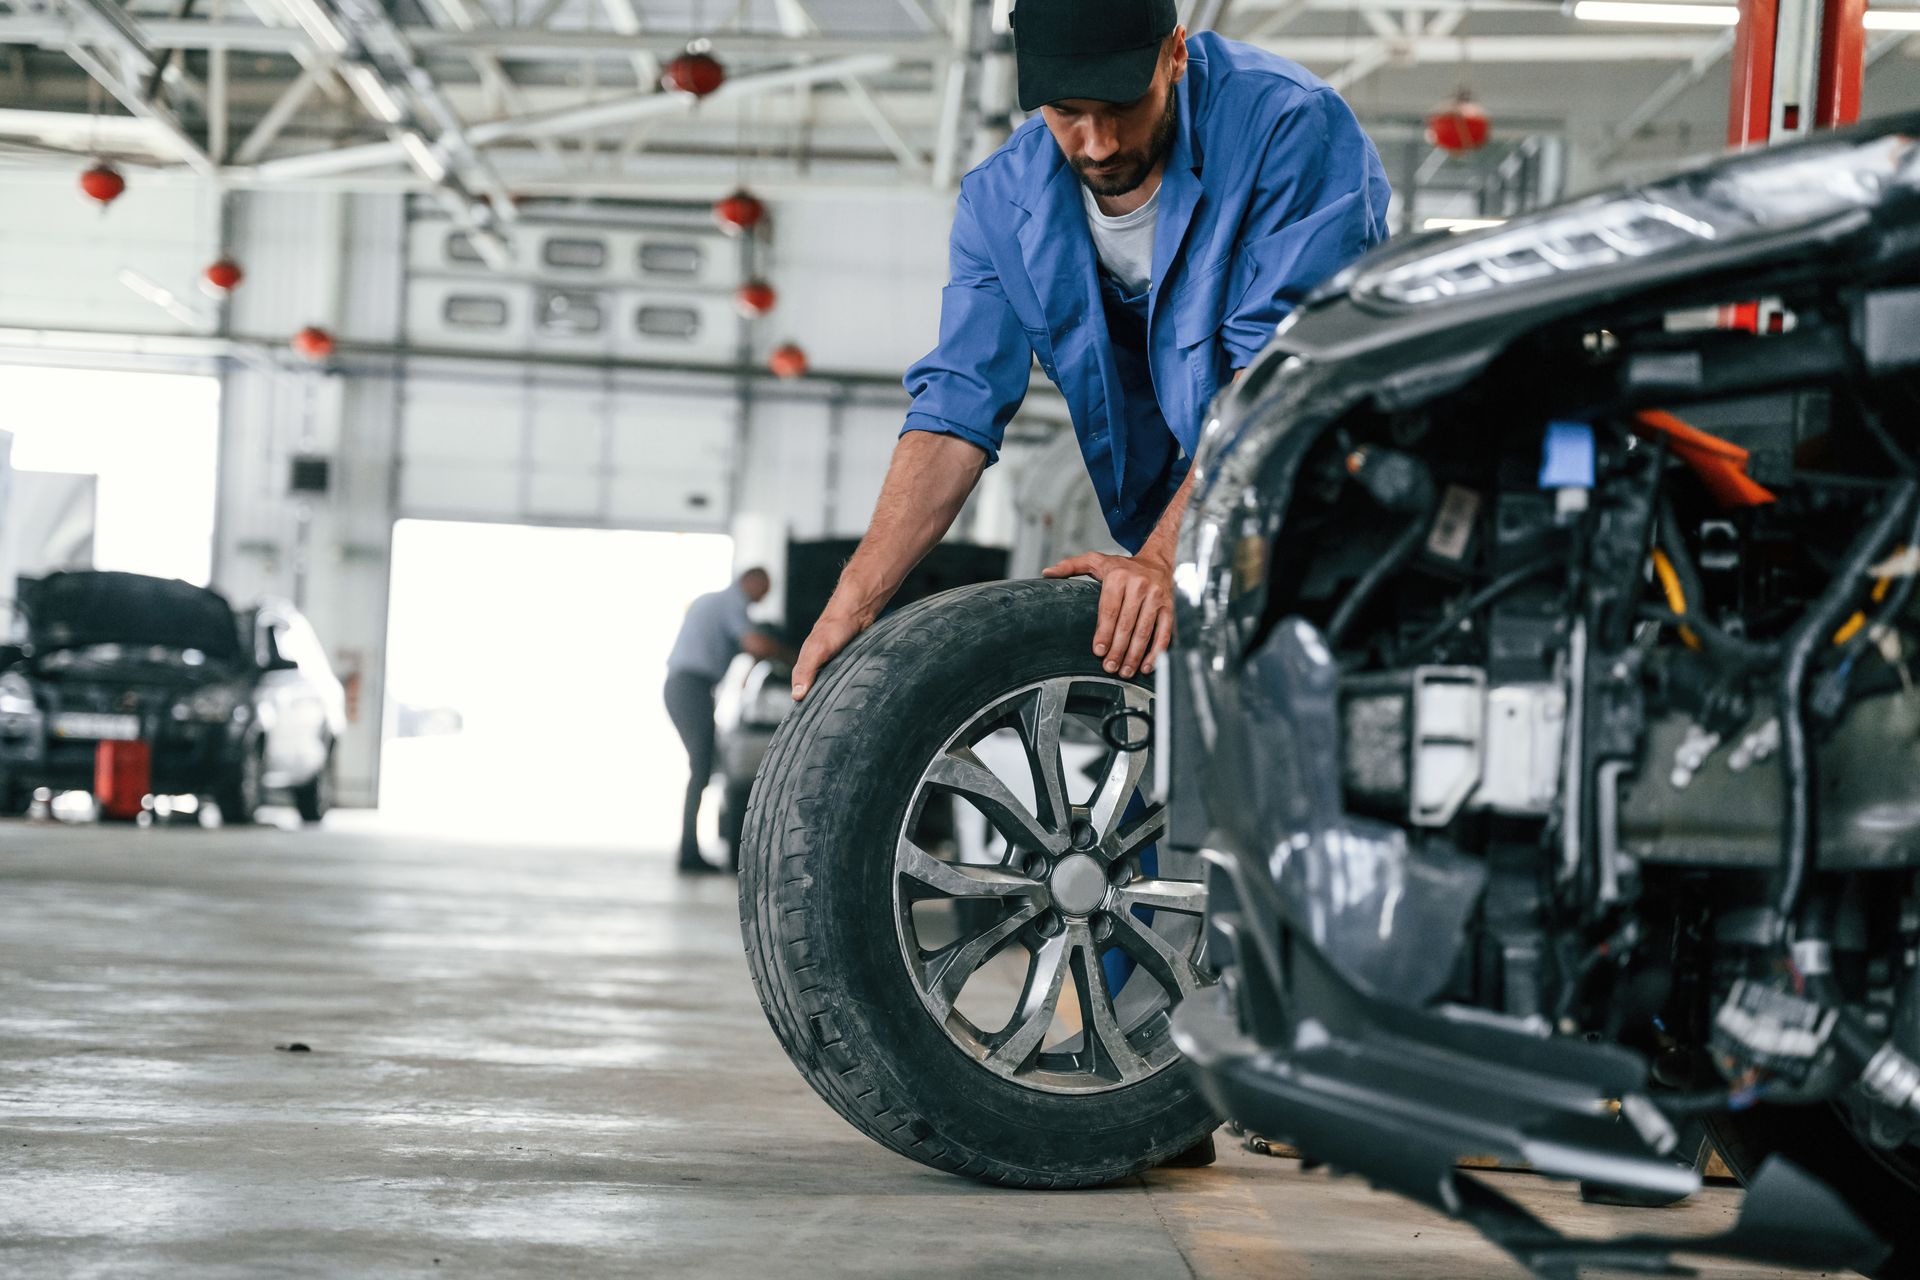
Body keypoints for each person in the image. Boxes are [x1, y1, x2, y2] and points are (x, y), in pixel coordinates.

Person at [791, 0, 1391, 700]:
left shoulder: (1288, 127)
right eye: (1066, 111)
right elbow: (957, 407)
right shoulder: (999, 203)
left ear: (1175, 54)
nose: (1098, 143)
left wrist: (1167, 558)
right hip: (1188, 530)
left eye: (1121, 104)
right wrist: (854, 601)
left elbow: (1283, 378)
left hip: (1335, 509)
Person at [664, 568, 791, 875]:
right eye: (765, 589)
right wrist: (794, 656)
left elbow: (746, 653)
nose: (763, 597)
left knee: (703, 767)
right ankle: (688, 853)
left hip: (685, 686)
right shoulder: (733, 602)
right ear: (753, 581)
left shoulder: (712, 602)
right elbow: (755, 645)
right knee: (701, 767)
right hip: (690, 687)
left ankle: (689, 850)